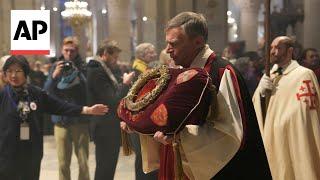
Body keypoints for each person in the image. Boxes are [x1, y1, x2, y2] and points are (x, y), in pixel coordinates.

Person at [122, 12, 271, 179]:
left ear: (198, 42)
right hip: (178, 163)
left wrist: (178, 138)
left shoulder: (221, 73)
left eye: (174, 44)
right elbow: (164, 118)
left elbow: (229, 135)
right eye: (167, 44)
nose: (167, 50)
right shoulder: (177, 73)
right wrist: (140, 125)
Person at [0, 55, 108, 180]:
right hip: (7, 154)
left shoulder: (36, 93)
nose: (14, 75)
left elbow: (60, 106)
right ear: (5, 74)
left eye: (18, 71)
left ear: (25, 72)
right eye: (10, 71)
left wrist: (86, 110)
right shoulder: (2, 95)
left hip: (31, 152)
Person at [252, 36, 320, 180]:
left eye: (278, 48)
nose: (273, 51)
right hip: (274, 136)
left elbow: (307, 111)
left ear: (290, 51)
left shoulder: (304, 74)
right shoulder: (270, 76)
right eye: (271, 48)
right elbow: (257, 109)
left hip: (296, 135)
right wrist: (260, 93)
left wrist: (284, 122)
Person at [86, 40, 135, 180]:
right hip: (104, 126)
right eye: (115, 57)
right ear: (105, 54)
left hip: (108, 125)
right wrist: (125, 84)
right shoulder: (97, 71)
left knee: (108, 166)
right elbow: (112, 101)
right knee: (105, 167)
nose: (116, 60)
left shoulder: (105, 70)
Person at [44, 36, 90, 180]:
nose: (69, 54)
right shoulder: (55, 67)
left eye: (72, 50)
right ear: (62, 50)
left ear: (77, 51)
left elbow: (88, 90)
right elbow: (46, 92)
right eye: (66, 50)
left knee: (83, 162)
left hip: (79, 120)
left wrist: (78, 73)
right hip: (61, 121)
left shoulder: (83, 66)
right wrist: (54, 76)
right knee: (63, 162)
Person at [131, 42, 158, 180]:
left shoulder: (145, 68)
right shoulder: (138, 71)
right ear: (142, 55)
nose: (155, 54)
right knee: (142, 157)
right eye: (151, 52)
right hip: (139, 119)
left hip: (143, 119)